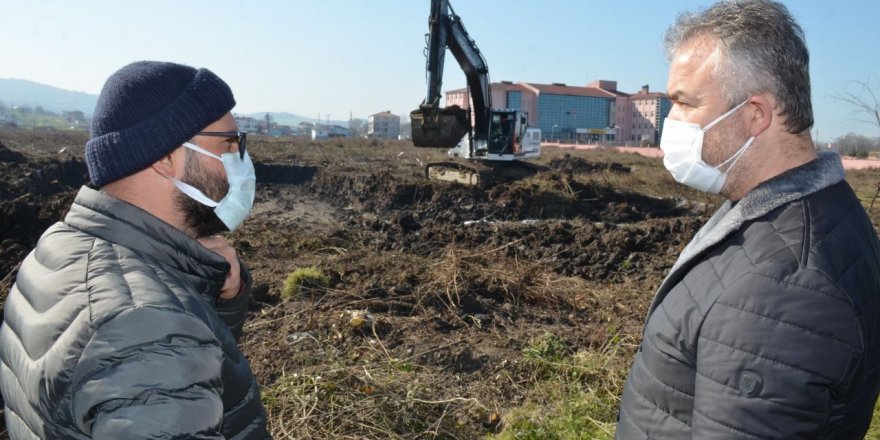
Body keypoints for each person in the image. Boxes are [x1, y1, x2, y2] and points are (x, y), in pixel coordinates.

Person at [615, 1, 880, 438]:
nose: (670, 122)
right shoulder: (797, 210)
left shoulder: (787, 289)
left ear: (755, 115)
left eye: (684, 103)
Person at [0, 61, 270, 439]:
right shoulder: (145, 327)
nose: (241, 161)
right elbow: (155, 357)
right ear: (164, 158)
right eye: (228, 143)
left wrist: (217, 300)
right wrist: (175, 319)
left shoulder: (60, 245)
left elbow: (184, 382)